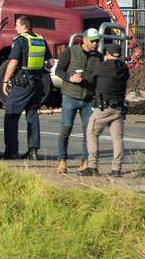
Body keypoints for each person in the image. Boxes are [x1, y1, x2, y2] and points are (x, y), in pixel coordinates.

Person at [1, 15, 53, 160]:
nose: (15, 27)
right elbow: (50, 63)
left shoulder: (20, 40)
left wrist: (5, 82)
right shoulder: (40, 38)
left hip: (22, 83)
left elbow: (13, 62)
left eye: (17, 25)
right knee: (32, 114)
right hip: (38, 83)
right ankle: (33, 151)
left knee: (11, 114)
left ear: (24, 26)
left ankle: (11, 152)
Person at [53, 28, 101, 173]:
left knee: (89, 131)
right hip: (70, 96)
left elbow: (99, 77)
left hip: (88, 98)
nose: (95, 43)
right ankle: (62, 160)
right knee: (66, 127)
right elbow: (58, 70)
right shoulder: (71, 51)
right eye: (93, 41)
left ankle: (84, 161)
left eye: (97, 41)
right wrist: (70, 78)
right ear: (85, 40)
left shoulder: (98, 56)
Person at [84, 42, 130, 177]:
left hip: (103, 108)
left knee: (91, 134)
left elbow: (91, 81)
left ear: (107, 54)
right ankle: (116, 169)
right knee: (117, 139)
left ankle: (92, 166)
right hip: (118, 108)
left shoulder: (101, 67)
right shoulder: (124, 68)